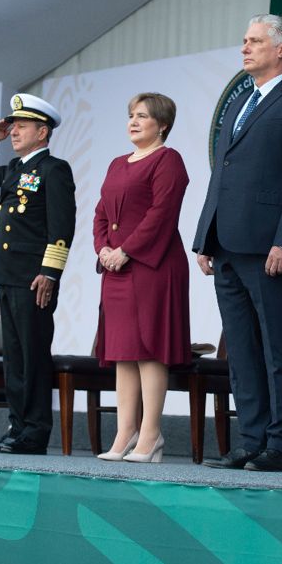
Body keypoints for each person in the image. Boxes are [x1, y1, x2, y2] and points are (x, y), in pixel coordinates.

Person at [194, 14, 282, 473]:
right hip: (228, 246)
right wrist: (204, 237)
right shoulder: (238, 105)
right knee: (242, 351)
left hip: (272, 248)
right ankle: (249, 439)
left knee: (279, 349)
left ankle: (280, 444)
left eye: (254, 41)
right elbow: (222, 174)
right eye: (244, 40)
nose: (245, 48)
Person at [0, 93, 76, 455]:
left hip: (34, 278)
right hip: (7, 272)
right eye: (13, 125)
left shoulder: (54, 169)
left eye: (22, 126)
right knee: (13, 357)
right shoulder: (15, 169)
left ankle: (34, 432)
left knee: (33, 356)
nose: (14, 131)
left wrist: (50, 272)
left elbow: (61, 227)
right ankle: (17, 428)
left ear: (42, 131)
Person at [93, 93, 190, 463]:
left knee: (149, 350)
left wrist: (127, 250)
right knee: (123, 353)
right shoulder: (117, 164)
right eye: (131, 115)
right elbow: (101, 213)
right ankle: (124, 433)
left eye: (143, 116)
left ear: (162, 124)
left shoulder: (169, 160)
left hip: (152, 266)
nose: (133, 122)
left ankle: (151, 435)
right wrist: (103, 248)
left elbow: (161, 214)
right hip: (116, 268)